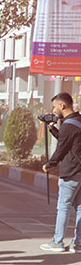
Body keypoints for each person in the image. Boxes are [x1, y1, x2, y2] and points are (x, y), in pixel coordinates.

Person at [41, 92, 81, 252]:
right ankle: (78, 243)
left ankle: (58, 241)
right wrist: (53, 130)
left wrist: (50, 164)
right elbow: (70, 143)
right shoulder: (77, 121)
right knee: (80, 208)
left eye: (55, 106)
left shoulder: (68, 126)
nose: (54, 110)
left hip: (70, 172)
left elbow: (62, 149)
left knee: (63, 206)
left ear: (62, 105)